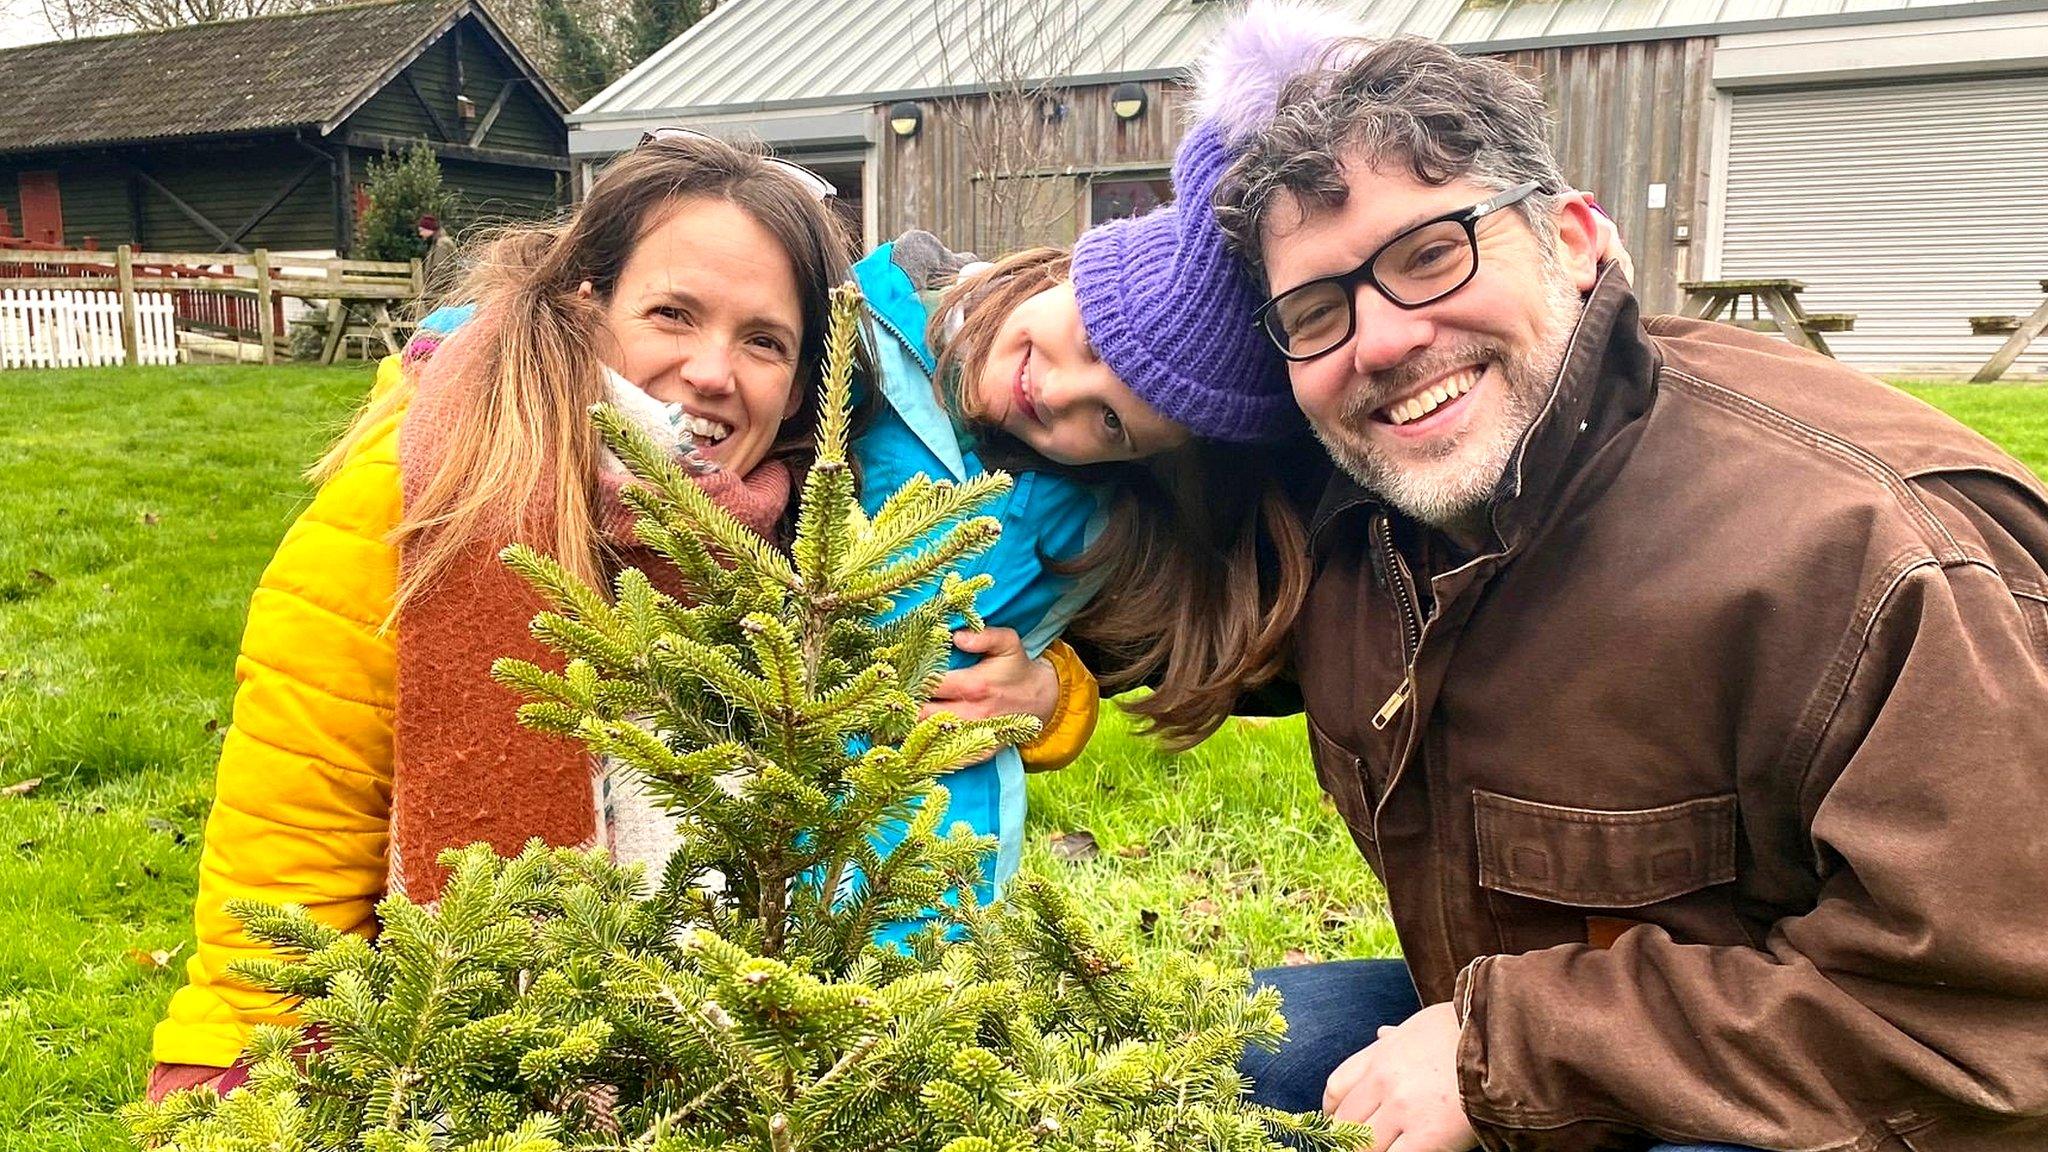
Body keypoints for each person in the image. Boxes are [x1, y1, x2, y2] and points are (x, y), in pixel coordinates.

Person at [1187, 15, 2048, 1152]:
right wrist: (1049, 674)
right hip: (1549, 1034)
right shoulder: (1368, 515)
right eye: (1315, 312)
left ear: (1577, 239)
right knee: (1204, 1049)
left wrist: (1499, 1054)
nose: (1381, 342)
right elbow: (1142, 470)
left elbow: (1994, 1035)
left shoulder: (1875, 555)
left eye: (1429, 254)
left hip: (1849, 1096)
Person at [145, 133, 1102, 1100]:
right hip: (437, 1076)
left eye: (764, 341)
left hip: (723, 1076)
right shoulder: (431, 487)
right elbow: (295, 816)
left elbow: (907, 691)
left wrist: (1054, 700)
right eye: (673, 314)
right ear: (586, 304)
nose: (713, 372)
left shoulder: (793, 540)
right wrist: (237, 1085)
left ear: (809, 380)